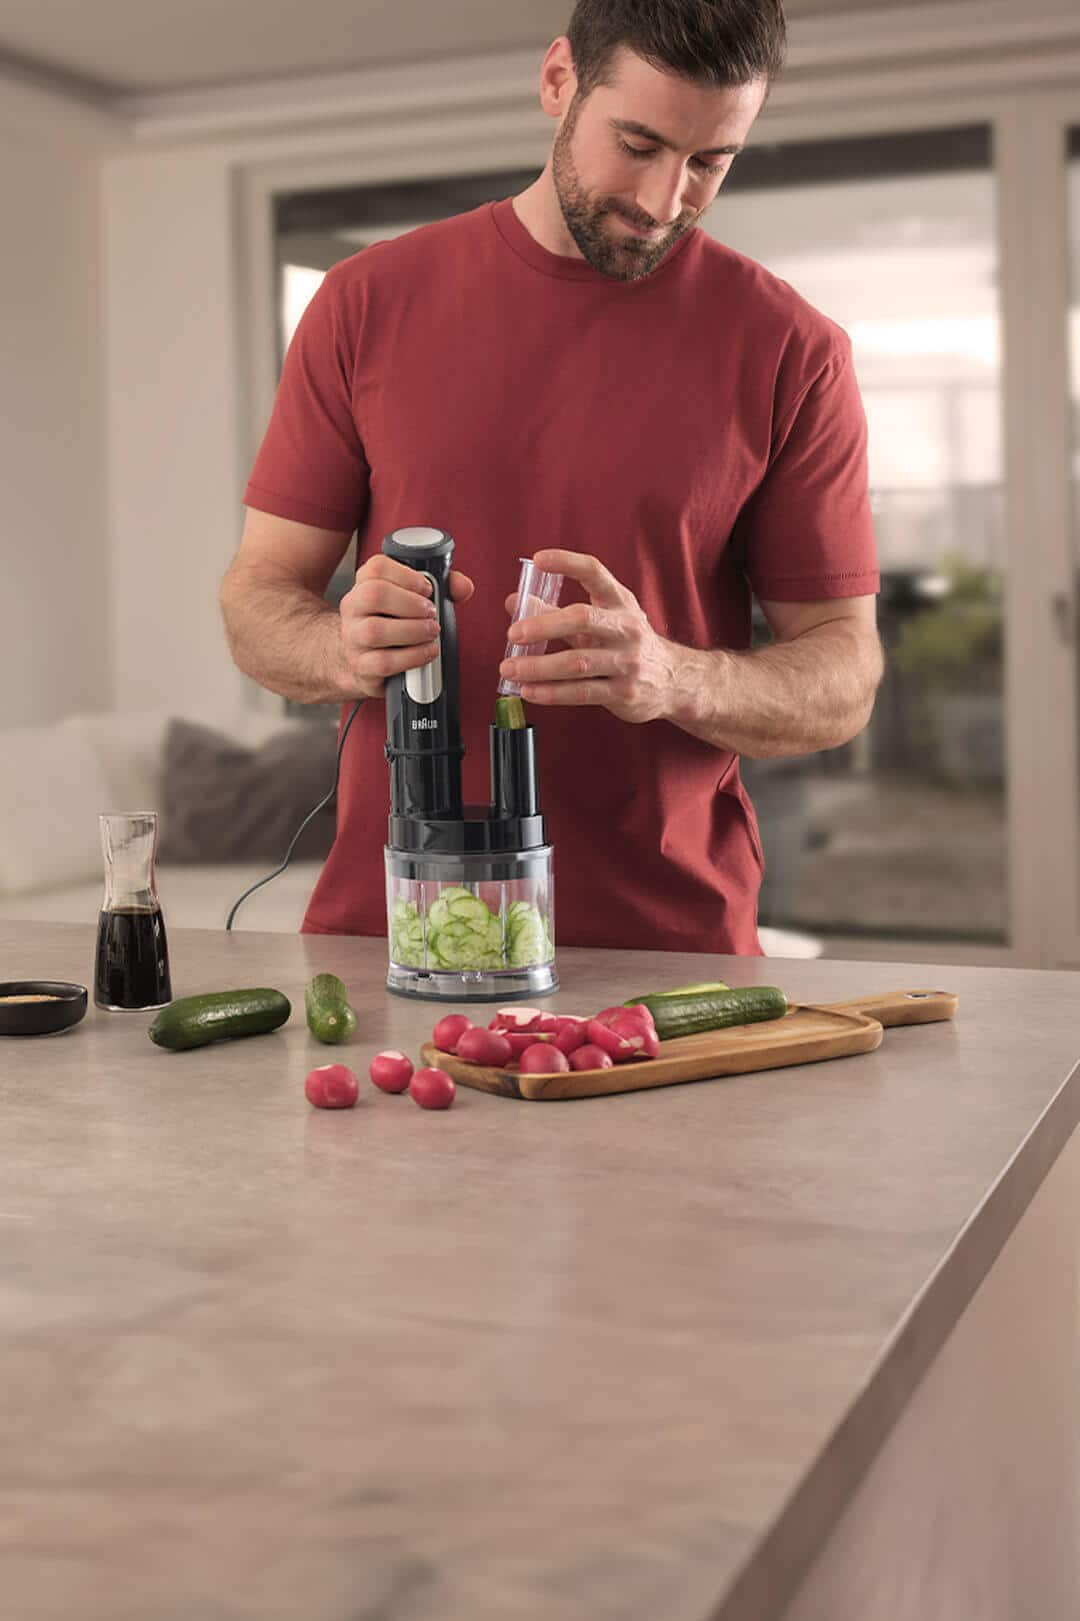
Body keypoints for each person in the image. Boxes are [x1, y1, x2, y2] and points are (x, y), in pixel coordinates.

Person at [221, 0, 883, 956]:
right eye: (640, 143)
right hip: (396, 932)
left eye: (710, 162)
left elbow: (844, 675)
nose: (665, 200)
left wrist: (674, 675)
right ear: (558, 81)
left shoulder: (794, 351)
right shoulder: (362, 304)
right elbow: (255, 597)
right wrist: (338, 649)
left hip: (664, 948)